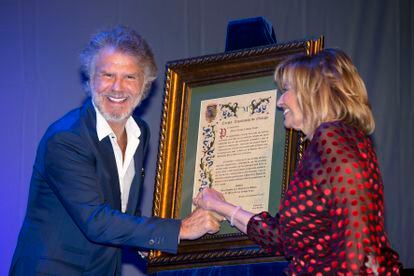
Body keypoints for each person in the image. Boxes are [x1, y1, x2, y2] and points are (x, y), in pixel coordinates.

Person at [10, 26, 221, 275]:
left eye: (130, 77)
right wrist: (179, 229)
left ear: (145, 85)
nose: (117, 88)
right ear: (90, 80)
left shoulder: (139, 133)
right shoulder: (66, 139)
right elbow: (97, 221)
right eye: (107, 75)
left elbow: (122, 213)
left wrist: (149, 240)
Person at [194, 49, 402, 275]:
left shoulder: (332, 138)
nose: (280, 101)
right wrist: (219, 206)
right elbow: (282, 237)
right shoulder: (336, 142)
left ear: (315, 92)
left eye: (287, 90)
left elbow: (356, 241)